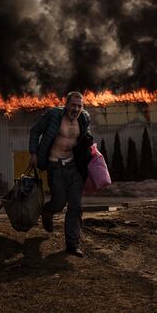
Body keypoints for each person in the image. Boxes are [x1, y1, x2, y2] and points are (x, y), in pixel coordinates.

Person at [28, 91, 93, 256]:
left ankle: (72, 245)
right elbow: (35, 131)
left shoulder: (84, 118)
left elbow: (86, 137)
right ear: (66, 104)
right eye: (73, 105)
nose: (76, 109)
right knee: (59, 202)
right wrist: (33, 153)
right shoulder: (53, 115)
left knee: (76, 205)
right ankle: (47, 211)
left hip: (73, 167)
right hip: (55, 166)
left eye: (80, 106)